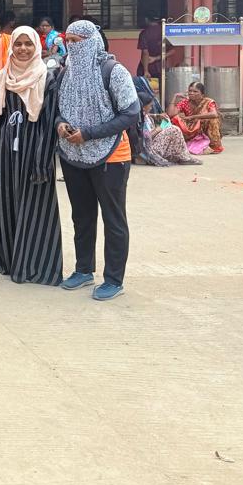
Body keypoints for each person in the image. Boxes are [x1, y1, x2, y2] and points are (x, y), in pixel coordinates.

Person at [55, 20, 140, 302]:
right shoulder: (65, 72)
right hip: (73, 155)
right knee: (82, 215)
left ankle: (114, 279)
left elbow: (130, 113)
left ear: (92, 41)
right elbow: (58, 110)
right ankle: (83, 269)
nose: (71, 46)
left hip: (111, 156)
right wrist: (60, 125)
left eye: (77, 41)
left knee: (113, 218)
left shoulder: (113, 71)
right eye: (68, 41)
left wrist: (89, 133)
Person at [0, 26, 63, 286]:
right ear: (11, 46)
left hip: (35, 149)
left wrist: (42, 160)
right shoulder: (2, 77)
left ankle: (33, 266)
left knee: (35, 205)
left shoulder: (46, 78)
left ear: (36, 47)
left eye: (28, 44)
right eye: (18, 44)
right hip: (7, 151)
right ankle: (6, 260)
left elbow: (49, 122)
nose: (23, 49)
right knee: (7, 203)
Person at [132, 77, 198, 167]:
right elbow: (144, 139)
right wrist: (159, 129)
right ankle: (184, 157)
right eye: (149, 106)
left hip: (152, 146)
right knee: (173, 129)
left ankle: (184, 156)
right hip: (146, 151)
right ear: (143, 107)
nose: (151, 108)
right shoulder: (138, 120)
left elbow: (150, 116)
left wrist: (157, 117)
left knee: (171, 126)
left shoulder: (143, 115)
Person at [170, 81, 223, 154]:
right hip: (191, 128)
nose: (191, 93)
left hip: (204, 128)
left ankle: (214, 146)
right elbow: (171, 114)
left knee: (213, 120)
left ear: (202, 94)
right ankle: (186, 142)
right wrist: (174, 97)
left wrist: (194, 117)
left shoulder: (208, 102)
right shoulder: (185, 102)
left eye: (195, 91)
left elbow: (214, 114)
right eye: (190, 91)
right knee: (175, 119)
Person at [137, 15, 163, 79]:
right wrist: (157, 58)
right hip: (162, 67)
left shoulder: (145, 33)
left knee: (145, 85)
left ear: (147, 19)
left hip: (149, 67)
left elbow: (145, 52)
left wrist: (146, 71)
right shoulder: (164, 31)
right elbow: (173, 51)